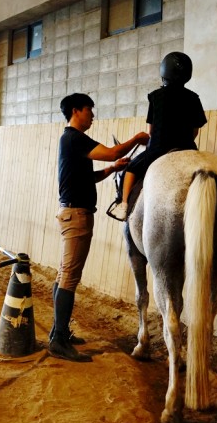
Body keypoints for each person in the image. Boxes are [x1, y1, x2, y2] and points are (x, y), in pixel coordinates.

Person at [51, 93, 149, 362]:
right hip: (77, 215)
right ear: (76, 111)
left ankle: (58, 333)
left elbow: (89, 176)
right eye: (89, 110)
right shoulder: (74, 138)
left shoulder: (70, 141)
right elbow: (113, 152)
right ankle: (59, 339)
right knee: (69, 278)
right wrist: (137, 139)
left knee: (64, 275)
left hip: (72, 212)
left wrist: (113, 169)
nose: (92, 115)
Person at [108, 51, 207, 222]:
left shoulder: (156, 96)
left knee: (131, 168)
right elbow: (195, 131)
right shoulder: (194, 98)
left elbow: (151, 132)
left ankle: (123, 206)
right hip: (188, 149)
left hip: (159, 149)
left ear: (164, 72)